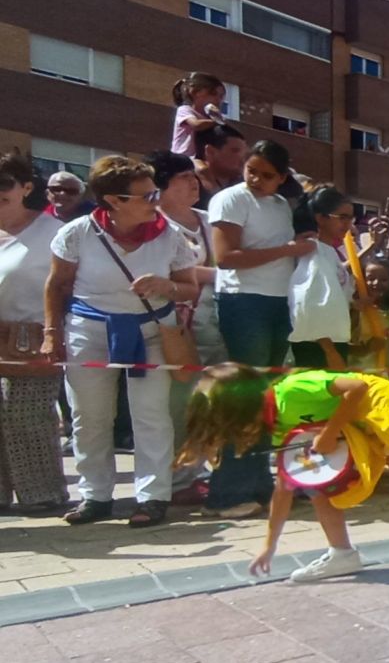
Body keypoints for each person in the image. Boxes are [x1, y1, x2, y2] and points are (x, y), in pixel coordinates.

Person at [179, 363, 389, 581]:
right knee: (315, 483)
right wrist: (269, 545)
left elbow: (357, 386)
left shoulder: (292, 390)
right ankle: (341, 553)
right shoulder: (276, 424)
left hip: (384, 411)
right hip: (364, 426)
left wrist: (330, 431)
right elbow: (285, 485)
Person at [41, 156, 200, 527]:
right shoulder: (77, 233)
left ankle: (153, 497)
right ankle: (95, 496)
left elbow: (190, 288)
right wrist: (52, 334)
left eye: (155, 192)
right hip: (89, 330)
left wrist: (166, 286)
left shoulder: (170, 234)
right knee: (89, 416)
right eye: (147, 195)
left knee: (151, 415)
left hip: (153, 330)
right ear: (114, 201)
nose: (156, 201)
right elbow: (57, 285)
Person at [206, 140, 311, 519]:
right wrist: (287, 250)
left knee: (266, 397)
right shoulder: (230, 199)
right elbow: (225, 258)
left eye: (267, 175)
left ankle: (259, 483)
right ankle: (227, 492)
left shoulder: (282, 204)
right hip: (243, 302)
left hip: (278, 303)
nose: (256, 180)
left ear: (282, 178)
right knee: (245, 396)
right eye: (252, 171)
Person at [151, 151, 223, 506]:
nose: (193, 183)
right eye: (183, 177)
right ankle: (179, 479)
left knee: (213, 402)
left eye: (194, 176)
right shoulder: (154, 225)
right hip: (173, 327)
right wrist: (223, 274)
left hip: (217, 324)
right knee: (178, 405)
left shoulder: (210, 220)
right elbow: (171, 273)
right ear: (161, 185)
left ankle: (206, 472)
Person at [0, 152, 67, 515]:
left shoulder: (53, 232)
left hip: (33, 337)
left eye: (4, 184)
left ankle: (43, 493)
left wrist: (57, 333)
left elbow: (68, 286)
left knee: (27, 417)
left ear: (26, 187)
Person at [288, 188, 356, 371]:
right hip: (318, 344)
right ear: (321, 218)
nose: (347, 224)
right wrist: (329, 350)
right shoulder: (312, 250)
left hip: (336, 339)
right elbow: (308, 302)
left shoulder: (329, 251)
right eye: (342, 217)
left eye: (350, 218)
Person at [170, 72, 226, 155]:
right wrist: (218, 122)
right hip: (181, 156)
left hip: (197, 157)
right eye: (213, 94)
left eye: (221, 97)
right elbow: (196, 125)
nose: (218, 99)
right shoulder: (185, 110)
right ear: (196, 93)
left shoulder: (210, 117)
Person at [192, 124, 245, 203]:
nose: (242, 158)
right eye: (235, 151)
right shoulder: (189, 184)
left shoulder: (244, 185)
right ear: (210, 152)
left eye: (244, 153)